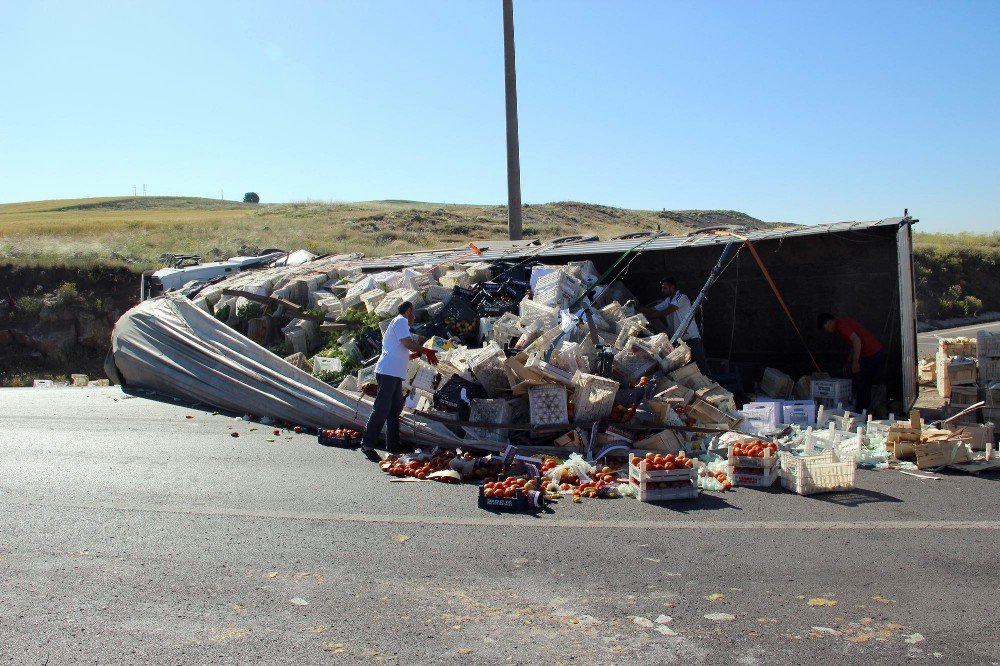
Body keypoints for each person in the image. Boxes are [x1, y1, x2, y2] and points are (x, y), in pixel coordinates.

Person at [359, 301, 437, 461]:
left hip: (394, 373)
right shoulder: (401, 320)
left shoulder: (400, 326)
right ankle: (366, 444)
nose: (414, 317)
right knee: (382, 408)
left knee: (395, 408)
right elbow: (408, 344)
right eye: (413, 313)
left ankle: (393, 445)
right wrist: (426, 350)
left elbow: (405, 352)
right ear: (409, 311)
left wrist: (419, 354)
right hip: (388, 372)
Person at [639, 277, 710, 375]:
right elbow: (652, 310)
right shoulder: (668, 300)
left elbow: (665, 312)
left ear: (672, 287)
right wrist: (636, 308)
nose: (662, 290)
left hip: (691, 338)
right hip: (680, 340)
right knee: (686, 370)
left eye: (664, 288)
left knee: (702, 368)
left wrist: (644, 318)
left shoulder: (681, 297)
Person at [817, 312, 884, 412]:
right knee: (860, 380)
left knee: (864, 384)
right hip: (869, 354)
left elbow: (857, 340)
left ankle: (862, 412)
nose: (826, 331)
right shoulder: (842, 326)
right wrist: (849, 362)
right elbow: (853, 345)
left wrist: (855, 361)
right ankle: (860, 409)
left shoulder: (841, 326)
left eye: (824, 328)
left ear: (827, 323)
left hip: (872, 353)